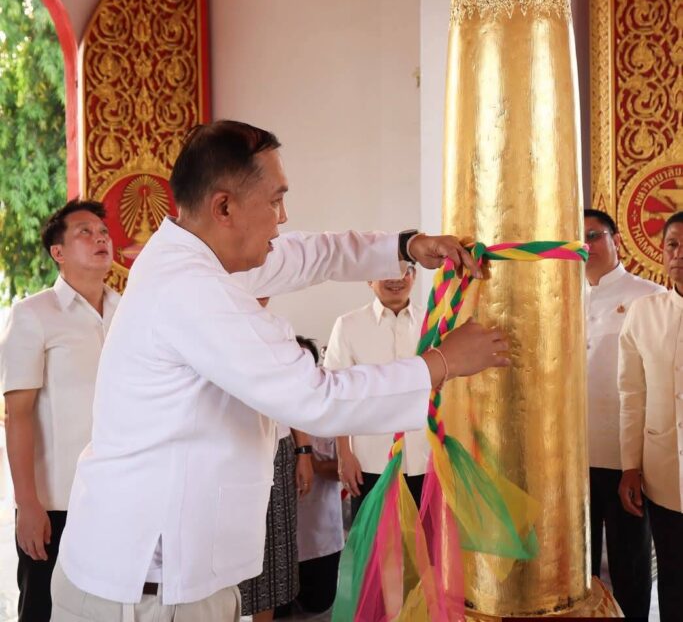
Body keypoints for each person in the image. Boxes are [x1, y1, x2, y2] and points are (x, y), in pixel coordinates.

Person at [51, 119, 510, 622]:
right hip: (146, 590)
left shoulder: (198, 256)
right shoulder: (191, 288)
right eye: (275, 201)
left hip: (173, 579)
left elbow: (308, 254)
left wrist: (403, 247)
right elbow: (317, 398)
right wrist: (443, 362)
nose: (283, 218)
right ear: (224, 207)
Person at [0, 199, 117, 622]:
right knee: (44, 610)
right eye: (85, 232)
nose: (100, 238)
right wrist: (28, 505)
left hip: (119, 496)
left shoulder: (128, 312)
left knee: (111, 610)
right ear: (58, 252)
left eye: (103, 232)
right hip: (56, 502)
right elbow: (18, 415)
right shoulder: (33, 315)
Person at [583, 207, 661, 618]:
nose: (586, 246)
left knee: (629, 563)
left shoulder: (649, 297)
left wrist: (639, 461)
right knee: (578, 568)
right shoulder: (563, 299)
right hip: (574, 455)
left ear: (616, 241)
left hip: (625, 456)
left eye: (594, 236)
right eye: (577, 239)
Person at [618, 210, 683, 622]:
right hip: (664, 473)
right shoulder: (644, 312)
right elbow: (631, 394)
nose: (679, 254)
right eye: (672, 245)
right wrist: (630, 466)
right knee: (674, 578)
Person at [325, 263, 429, 518]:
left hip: (426, 458)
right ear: (369, 279)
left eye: (405, 271)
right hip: (371, 459)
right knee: (373, 540)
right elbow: (337, 394)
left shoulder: (432, 321)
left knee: (427, 538)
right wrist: (344, 454)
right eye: (386, 271)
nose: (397, 279)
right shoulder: (348, 325)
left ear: (414, 276)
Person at [238, 299, 312, 622]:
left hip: (278, 451)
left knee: (271, 558)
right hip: (227, 453)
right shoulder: (209, 318)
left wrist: (303, 452)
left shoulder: (280, 328)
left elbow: (297, 396)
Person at [293, 337, 344, 615]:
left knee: (319, 609)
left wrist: (310, 462)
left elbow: (347, 470)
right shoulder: (268, 411)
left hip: (322, 540)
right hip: (279, 544)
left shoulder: (331, 413)